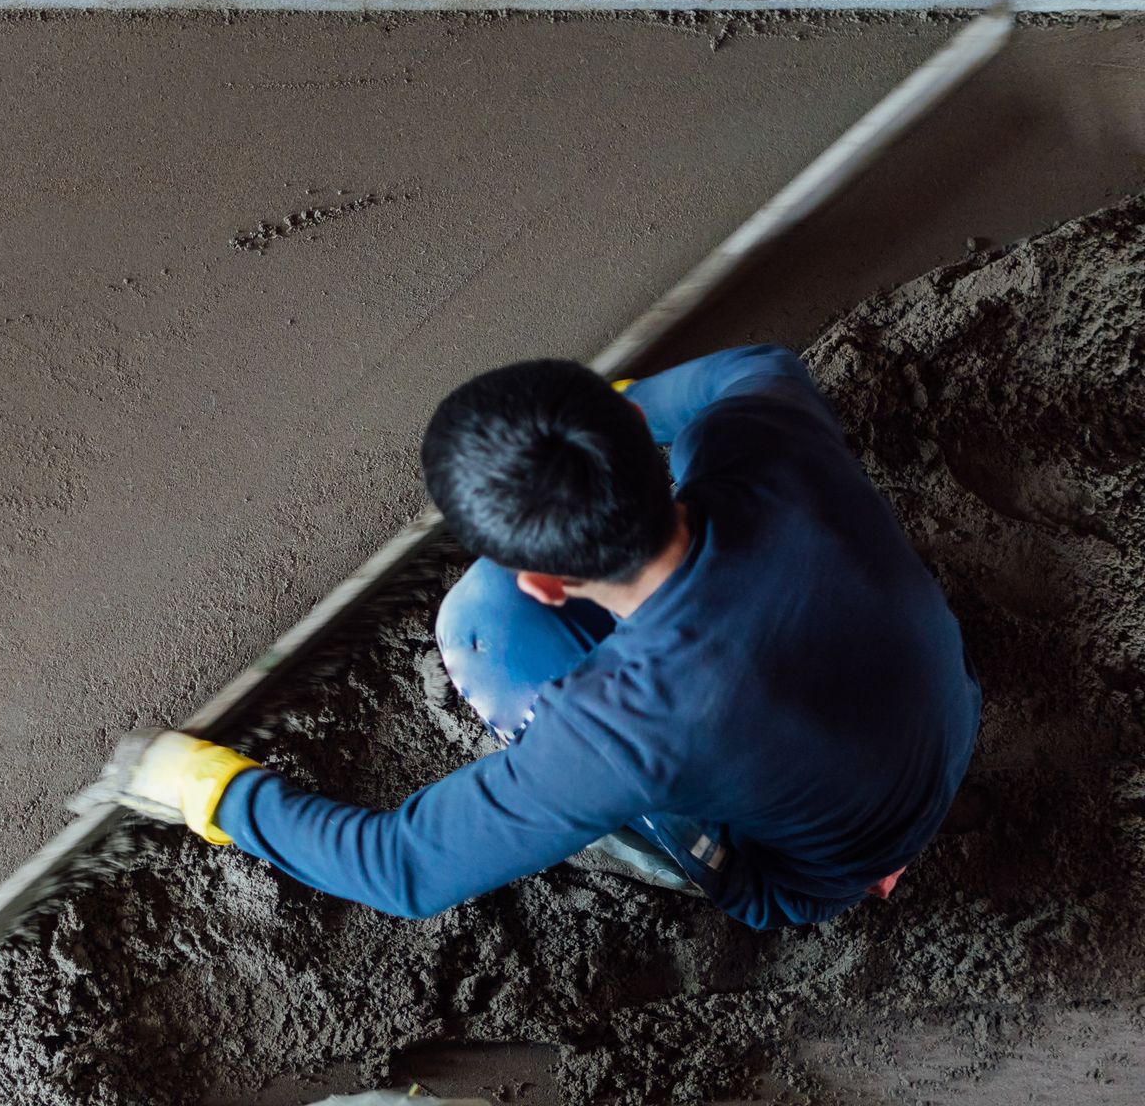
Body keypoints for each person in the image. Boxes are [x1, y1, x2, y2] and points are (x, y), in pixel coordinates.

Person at [97, 346, 981, 929]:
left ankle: (809, 872)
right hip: (941, 717)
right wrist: (577, 432)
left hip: (820, 871)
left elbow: (403, 868)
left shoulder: (623, 728)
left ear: (548, 581)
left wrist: (211, 792)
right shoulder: (764, 405)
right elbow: (704, 385)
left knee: (482, 631)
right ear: (640, 432)